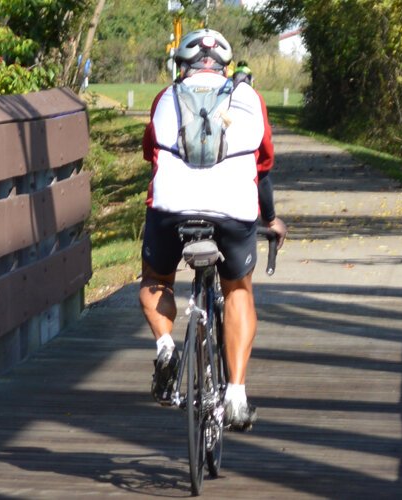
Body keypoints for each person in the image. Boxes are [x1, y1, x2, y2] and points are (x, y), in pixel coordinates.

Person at [140, 28, 286, 431]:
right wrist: (270, 219)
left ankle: (166, 347)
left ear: (181, 65)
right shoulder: (249, 99)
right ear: (226, 65)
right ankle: (236, 396)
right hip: (233, 211)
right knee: (238, 289)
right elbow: (263, 166)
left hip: (172, 209)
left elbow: (151, 154)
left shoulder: (165, 98)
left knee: (157, 279)